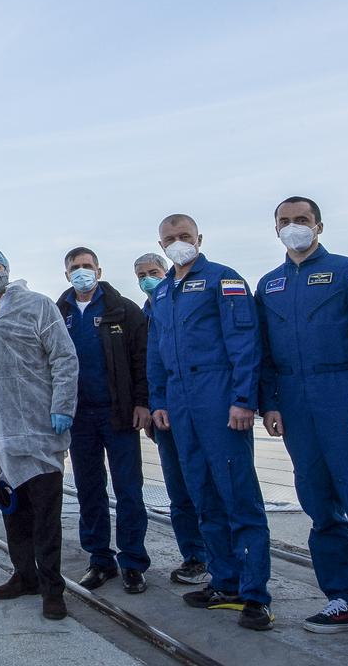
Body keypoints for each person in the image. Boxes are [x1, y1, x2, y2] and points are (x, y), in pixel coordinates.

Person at [257, 197, 348, 657]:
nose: (293, 227)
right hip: (297, 408)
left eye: (301, 220)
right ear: (275, 229)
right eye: (285, 221)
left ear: (319, 225)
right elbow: (263, 353)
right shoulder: (270, 284)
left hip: (345, 400)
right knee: (320, 509)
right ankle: (343, 598)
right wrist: (270, 404)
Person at [147, 214, 273, 631]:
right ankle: (225, 581)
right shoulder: (163, 293)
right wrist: (160, 400)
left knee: (238, 495)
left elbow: (243, 341)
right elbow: (157, 353)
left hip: (219, 401)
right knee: (203, 495)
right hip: (181, 407)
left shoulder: (224, 279)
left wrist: (243, 399)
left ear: (199, 238)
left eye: (184, 236)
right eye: (170, 238)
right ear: (161, 244)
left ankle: (255, 593)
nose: (178, 243)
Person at [0, 246, 78, 621]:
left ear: (8, 269)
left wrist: (62, 406)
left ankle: (52, 589)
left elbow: (63, 357)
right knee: (13, 512)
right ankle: (23, 576)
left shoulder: (38, 305)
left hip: (39, 429)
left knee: (46, 515)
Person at [55, 247, 150, 594]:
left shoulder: (123, 310)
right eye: (75, 268)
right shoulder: (58, 312)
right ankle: (99, 559)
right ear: (66, 275)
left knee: (128, 489)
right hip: (79, 417)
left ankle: (133, 561)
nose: (81, 272)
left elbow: (142, 360)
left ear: (98, 269)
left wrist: (142, 403)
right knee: (89, 489)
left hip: (119, 413)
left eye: (87, 266)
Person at [134, 253, 208, 586]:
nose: (147, 278)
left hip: (196, 405)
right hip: (163, 414)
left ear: (166, 272)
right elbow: (146, 365)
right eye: (141, 274)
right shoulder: (143, 314)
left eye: (153, 272)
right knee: (178, 490)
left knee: (205, 485)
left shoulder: (181, 304)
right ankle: (194, 555)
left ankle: (217, 556)